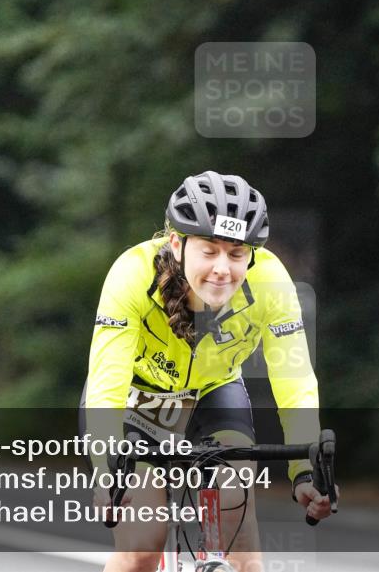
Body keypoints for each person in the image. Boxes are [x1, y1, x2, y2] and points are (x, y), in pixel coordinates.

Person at [80, 171, 335, 572]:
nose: (222, 269)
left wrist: (305, 471)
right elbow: (106, 383)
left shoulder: (271, 282)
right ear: (177, 244)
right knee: (142, 545)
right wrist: (106, 471)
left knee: (239, 529)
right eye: (209, 251)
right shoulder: (132, 274)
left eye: (236, 254)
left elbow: (296, 382)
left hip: (214, 393)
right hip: (137, 399)